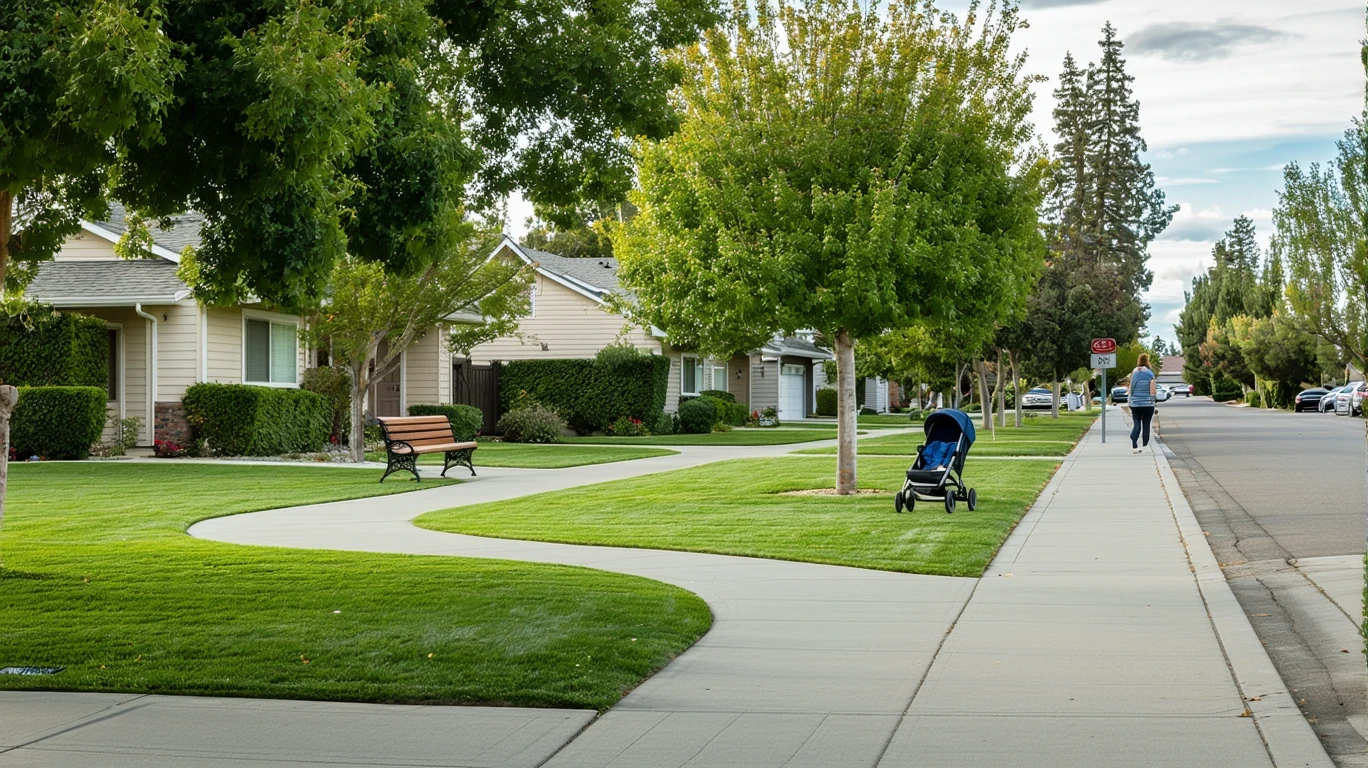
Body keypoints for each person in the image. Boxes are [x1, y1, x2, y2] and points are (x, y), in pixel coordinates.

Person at [1127, 353, 1157, 454]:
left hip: (1135, 403)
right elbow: (1153, 391)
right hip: (1148, 404)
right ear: (1147, 361)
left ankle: (1134, 442)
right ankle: (1145, 446)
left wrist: (1130, 401)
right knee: (1146, 424)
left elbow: (1131, 388)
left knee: (1137, 423)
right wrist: (1153, 401)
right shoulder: (1150, 374)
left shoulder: (1134, 373)